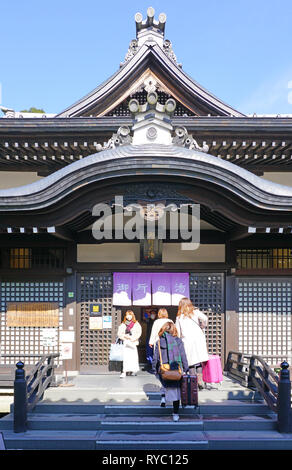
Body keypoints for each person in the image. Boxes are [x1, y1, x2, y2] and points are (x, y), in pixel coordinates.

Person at [152, 321, 189, 422]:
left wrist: (155, 369)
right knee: (175, 391)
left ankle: (163, 397)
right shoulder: (178, 341)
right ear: (174, 330)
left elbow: (155, 358)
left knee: (164, 383)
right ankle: (175, 414)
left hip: (164, 369)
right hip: (175, 369)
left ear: (163, 330)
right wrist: (186, 368)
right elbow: (183, 355)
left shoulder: (159, 342)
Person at [175, 297, 208, 390]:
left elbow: (177, 331)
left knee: (190, 362)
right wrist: (203, 325)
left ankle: (193, 383)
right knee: (198, 361)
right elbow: (205, 318)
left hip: (187, 341)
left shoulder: (179, 317)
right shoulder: (196, 312)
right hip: (199, 340)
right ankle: (200, 381)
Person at [117, 310, 142, 378]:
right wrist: (125, 337)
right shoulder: (124, 323)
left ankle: (133, 370)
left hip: (133, 342)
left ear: (132, 315)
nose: (128, 316)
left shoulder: (136, 323)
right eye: (127, 315)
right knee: (126, 358)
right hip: (126, 342)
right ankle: (124, 371)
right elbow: (120, 333)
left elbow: (139, 333)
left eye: (130, 315)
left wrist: (133, 338)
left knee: (133, 357)